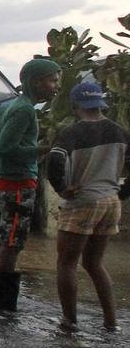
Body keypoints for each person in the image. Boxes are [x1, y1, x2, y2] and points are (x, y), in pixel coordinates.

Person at [0, 57, 62, 311]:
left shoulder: (11, 107)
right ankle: (3, 309)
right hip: (18, 185)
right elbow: (8, 148)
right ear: (37, 82)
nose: (55, 86)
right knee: (12, 243)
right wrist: (42, 150)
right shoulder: (24, 110)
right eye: (53, 81)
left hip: (3, 184)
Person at [46, 80, 128, 330]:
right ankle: (111, 322)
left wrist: (61, 189)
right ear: (100, 103)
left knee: (66, 263)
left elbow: (55, 160)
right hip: (111, 202)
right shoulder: (119, 131)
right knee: (94, 263)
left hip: (83, 200)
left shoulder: (72, 133)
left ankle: (69, 321)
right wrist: (121, 193)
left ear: (75, 105)